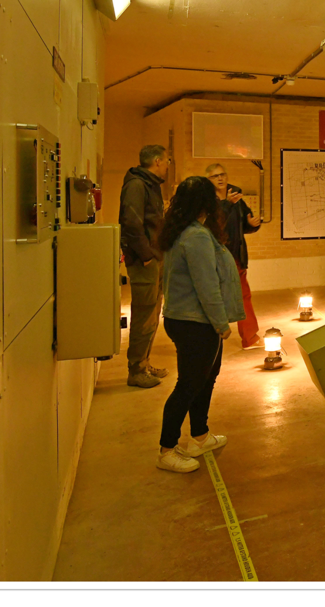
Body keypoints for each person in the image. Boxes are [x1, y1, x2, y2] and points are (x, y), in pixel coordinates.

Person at [153, 175, 246, 473]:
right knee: (189, 385)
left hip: (186, 319)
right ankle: (167, 450)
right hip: (195, 322)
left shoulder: (183, 230)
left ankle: (200, 437)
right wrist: (221, 323)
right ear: (206, 202)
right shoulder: (196, 237)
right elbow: (207, 286)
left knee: (205, 379)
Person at [119, 145, 171, 389]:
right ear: (157, 161)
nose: (168, 165)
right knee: (143, 315)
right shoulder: (137, 185)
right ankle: (136, 370)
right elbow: (131, 223)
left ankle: (144, 363)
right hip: (145, 261)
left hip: (154, 256)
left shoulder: (150, 184)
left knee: (152, 314)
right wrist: (146, 255)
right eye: (167, 160)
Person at [205, 163, 263, 349]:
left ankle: (250, 337)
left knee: (243, 294)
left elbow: (243, 224)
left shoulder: (236, 197)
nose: (220, 178)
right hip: (215, 256)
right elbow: (211, 225)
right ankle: (209, 337)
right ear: (208, 180)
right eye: (215, 176)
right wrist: (226, 204)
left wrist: (252, 224)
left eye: (222, 174)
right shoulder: (206, 201)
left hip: (235, 255)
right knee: (213, 296)